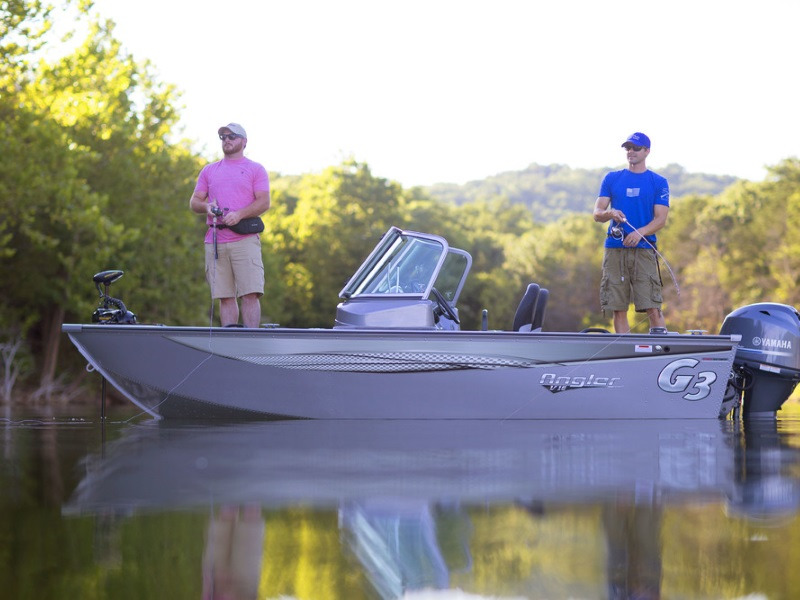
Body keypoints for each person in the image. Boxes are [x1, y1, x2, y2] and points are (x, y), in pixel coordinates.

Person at [190, 123, 271, 328]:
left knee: (250, 294)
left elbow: (264, 202)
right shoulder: (209, 170)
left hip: (245, 240)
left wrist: (239, 215)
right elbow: (194, 202)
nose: (226, 140)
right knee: (225, 297)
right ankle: (229, 342)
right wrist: (207, 207)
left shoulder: (256, 169)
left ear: (244, 141)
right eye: (223, 137)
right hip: (215, 240)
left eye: (232, 136)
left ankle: (251, 341)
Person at [593, 132, 670, 333]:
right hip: (615, 249)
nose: (631, 152)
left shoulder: (658, 182)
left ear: (647, 151)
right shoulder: (611, 178)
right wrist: (610, 213)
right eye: (628, 148)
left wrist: (640, 233)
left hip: (644, 250)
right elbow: (597, 213)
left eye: (636, 148)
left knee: (653, 306)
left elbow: (661, 219)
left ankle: (659, 353)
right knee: (618, 308)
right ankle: (625, 356)